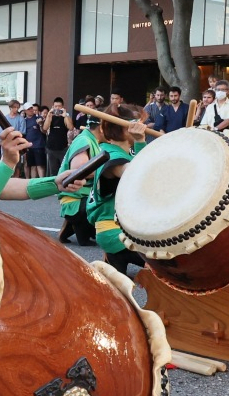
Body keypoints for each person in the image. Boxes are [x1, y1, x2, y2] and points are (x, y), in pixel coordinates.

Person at [85, 105, 149, 276]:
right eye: (137, 123)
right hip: (115, 232)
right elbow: (139, 176)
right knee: (169, 265)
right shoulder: (113, 156)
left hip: (122, 229)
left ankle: (111, 266)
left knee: (115, 288)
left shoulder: (123, 152)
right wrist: (140, 141)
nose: (142, 126)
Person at [56, 118, 101, 247]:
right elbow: (79, 171)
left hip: (82, 195)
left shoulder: (91, 140)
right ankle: (80, 230)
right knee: (103, 204)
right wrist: (106, 171)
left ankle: (72, 226)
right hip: (75, 196)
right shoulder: (84, 141)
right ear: (102, 128)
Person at [42, 98, 73, 176]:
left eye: (59, 106)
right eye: (56, 106)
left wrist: (65, 116)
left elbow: (71, 127)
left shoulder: (65, 117)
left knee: (63, 170)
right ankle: (53, 187)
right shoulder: (50, 116)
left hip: (62, 147)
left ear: (63, 107)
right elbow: (45, 128)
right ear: (53, 106)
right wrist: (49, 115)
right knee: (53, 171)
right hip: (51, 148)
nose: (57, 108)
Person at [23, 103, 47, 179]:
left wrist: (40, 124)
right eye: (28, 109)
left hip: (39, 145)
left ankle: (41, 181)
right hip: (28, 146)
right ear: (25, 111)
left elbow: (44, 131)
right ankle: (32, 182)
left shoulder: (39, 118)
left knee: (40, 165)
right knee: (31, 165)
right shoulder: (24, 120)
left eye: (31, 108)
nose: (30, 110)